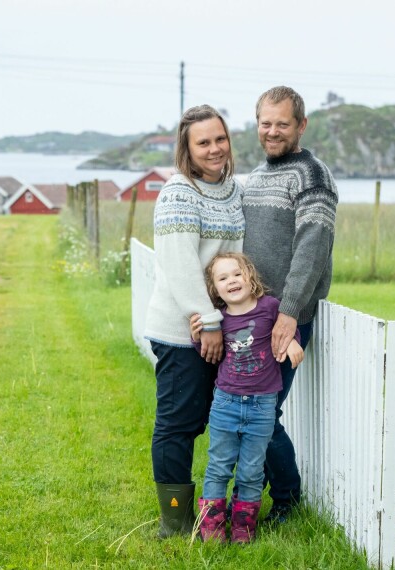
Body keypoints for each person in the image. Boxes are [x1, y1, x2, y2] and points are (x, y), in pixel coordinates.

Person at [144, 104, 245, 538]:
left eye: (219, 139)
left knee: (204, 420)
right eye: (203, 142)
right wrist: (205, 318)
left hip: (216, 325)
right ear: (187, 149)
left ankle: (210, 512)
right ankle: (174, 521)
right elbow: (180, 264)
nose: (214, 148)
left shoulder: (232, 190)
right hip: (183, 328)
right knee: (178, 423)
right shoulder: (179, 193)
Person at [241, 86, 338, 524]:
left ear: (301, 125)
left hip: (285, 318)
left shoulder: (312, 176)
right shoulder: (257, 177)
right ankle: (254, 490)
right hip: (249, 317)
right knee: (245, 408)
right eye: (266, 123)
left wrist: (289, 314)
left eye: (282, 123)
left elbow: (311, 250)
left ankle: (286, 501)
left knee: (264, 412)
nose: (273, 131)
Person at [189, 252, 303, 543]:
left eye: (237, 274)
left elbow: (286, 332)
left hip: (263, 405)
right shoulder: (218, 320)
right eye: (223, 278)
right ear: (215, 289)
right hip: (226, 403)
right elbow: (204, 350)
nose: (232, 281)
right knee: (219, 466)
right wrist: (196, 333)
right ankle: (211, 529)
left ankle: (243, 529)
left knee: (252, 470)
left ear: (250, 278)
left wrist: (291, 344)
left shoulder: (269, 308)